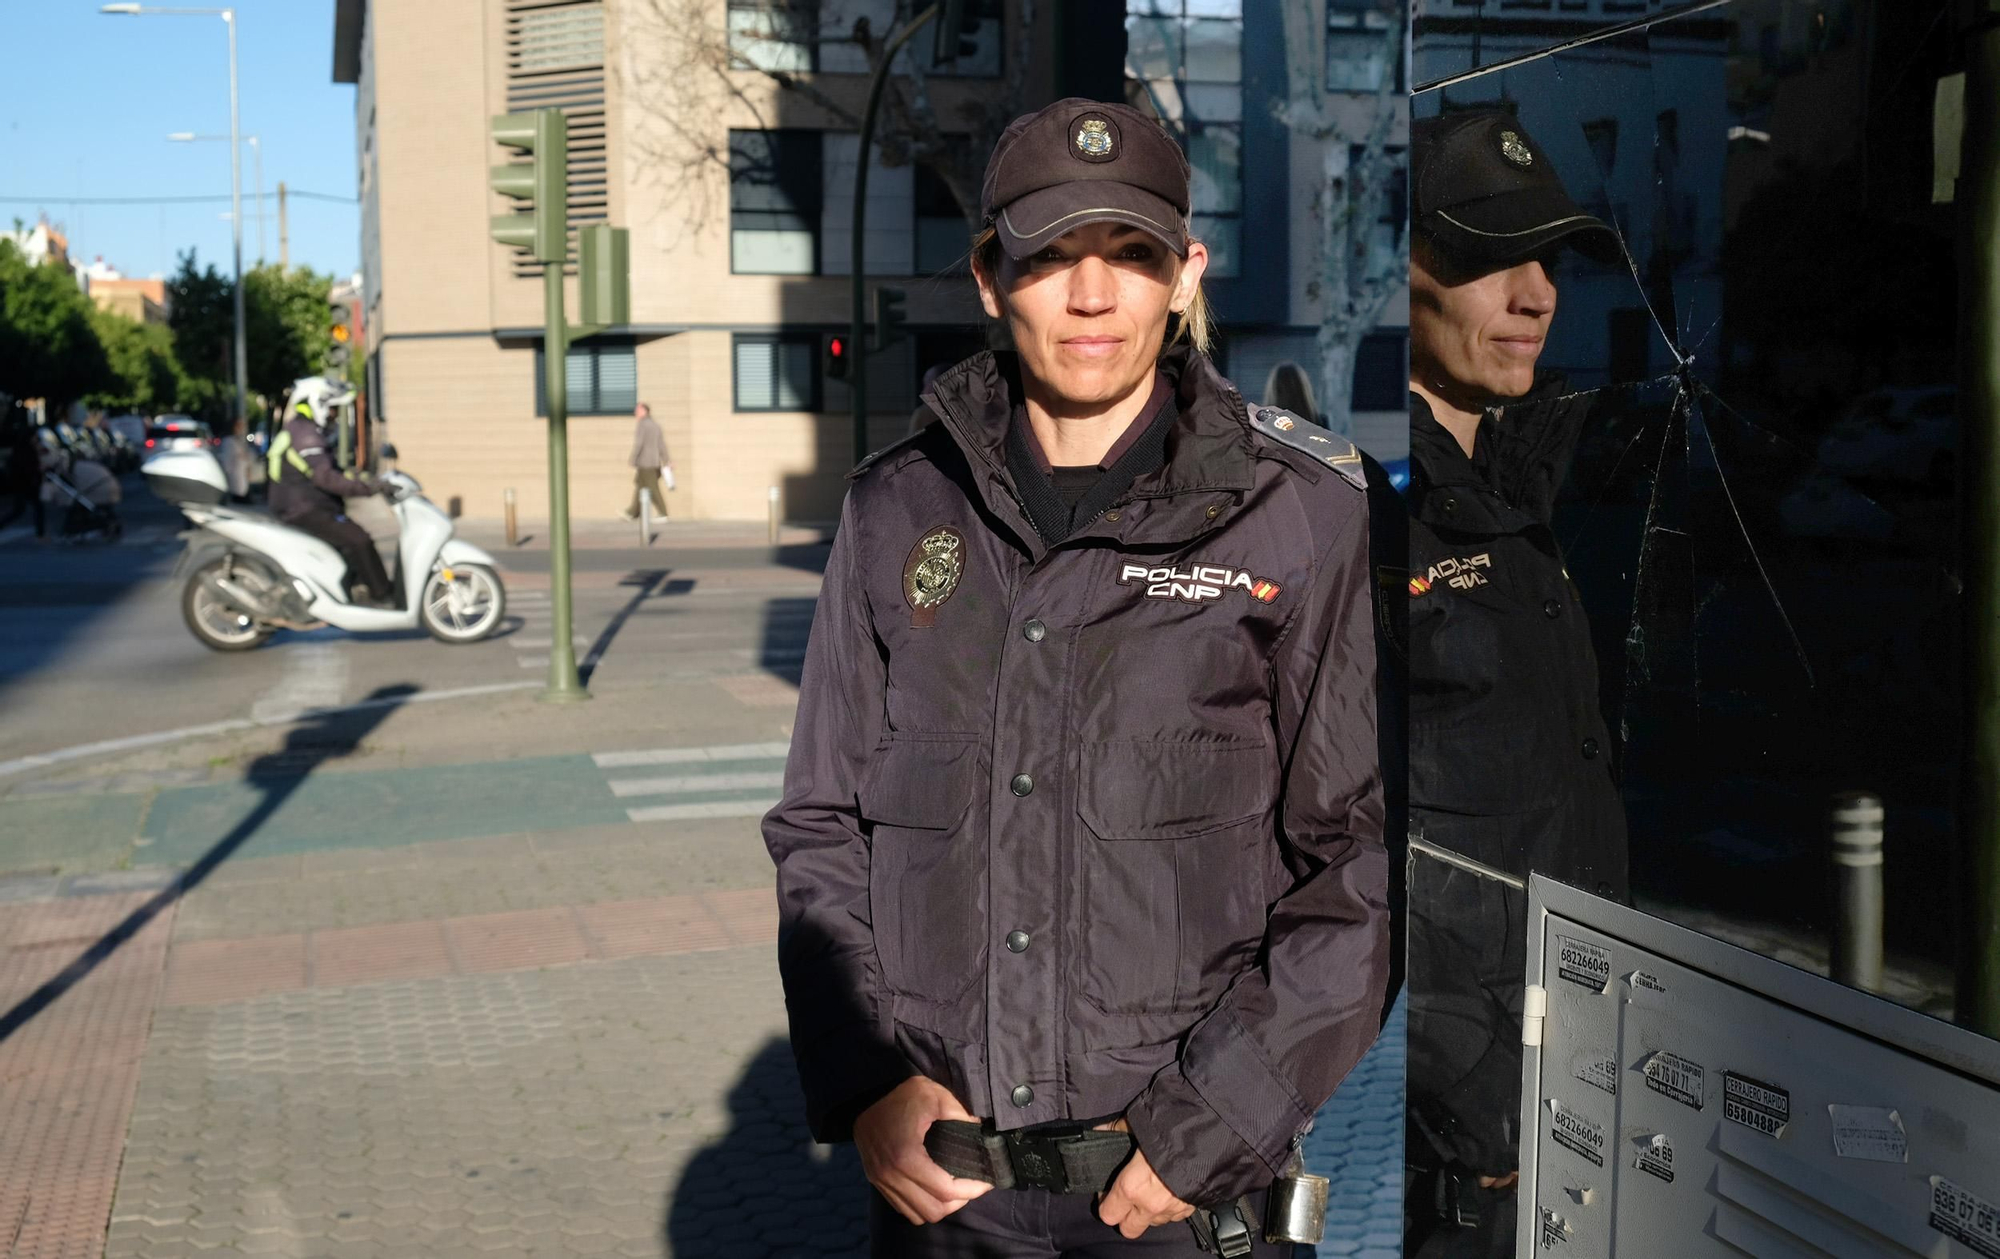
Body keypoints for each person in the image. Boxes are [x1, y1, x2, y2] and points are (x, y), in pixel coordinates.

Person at [764, 97, 1389, 1258]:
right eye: (1051, 255)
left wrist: (1213, 1124)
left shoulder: (1298, 517)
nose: (1092, 296)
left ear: (1184, 274)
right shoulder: (894, 509)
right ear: (988, 278)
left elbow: (1356, 868)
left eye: (1131, 254)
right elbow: (821, 824)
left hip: (1185, 1203)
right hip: (948, 1200)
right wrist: (865, 1078)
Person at [1401, 110, 1631, 1258]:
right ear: (1397, 273)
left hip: (1566, 1064)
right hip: (1441, 1138)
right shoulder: (1341, 503)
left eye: (1549, 263)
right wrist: (1463, 1077)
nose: (1536, 295)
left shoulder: (1524, 481)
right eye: (1493, 258)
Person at [267, 377, 392, 606]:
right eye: (332, 408)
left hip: (304, 505)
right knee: (359, 540)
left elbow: (331, 470)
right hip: (304, 508)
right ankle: (382, 596)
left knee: (348, 544)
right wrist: (368, 488)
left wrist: (365, 480)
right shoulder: (306, 435)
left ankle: (354, 592)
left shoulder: (301, 428)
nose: (334, 414)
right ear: (317, 403)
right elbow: (326, 478)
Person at [623, 401, 671, 521]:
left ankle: (663, 513)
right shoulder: (655, 425)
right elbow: (661, 445)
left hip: (645, 462)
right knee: (640, 486)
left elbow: (639, 443)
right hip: (654, 462)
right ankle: (632, 513)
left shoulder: (642, 425)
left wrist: (633, 458)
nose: (635, 412)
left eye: (637, 410)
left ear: (644, 411)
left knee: (652, 488)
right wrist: (666, 460)